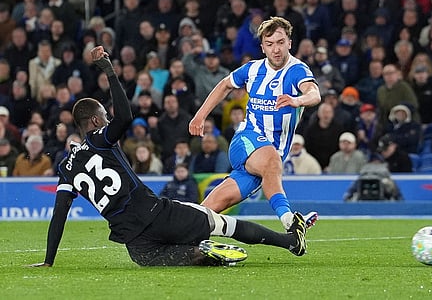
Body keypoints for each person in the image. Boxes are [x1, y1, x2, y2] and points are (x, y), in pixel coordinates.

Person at [30, 46, 307, 268]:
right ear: (95, 120)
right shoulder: (100, 138)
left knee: (168, 257)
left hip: (136, 246)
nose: (107, 119)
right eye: (104, 115)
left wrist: (48, 260)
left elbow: (59, 216)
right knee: (220, 223)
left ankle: (195, 253)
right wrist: (110, 72)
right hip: (157, 214)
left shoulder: (66, 167)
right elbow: (125, 116)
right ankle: (289, 242)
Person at [189, 17, 321, 230]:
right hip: (246, 139)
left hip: (268, 157)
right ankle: (290, 221)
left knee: (210, 209)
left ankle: (181, 236)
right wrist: (200, 116)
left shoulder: (298, 70)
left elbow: (314, 93)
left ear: (289, 43)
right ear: (262, 47)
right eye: (269, 44)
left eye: (280, 42)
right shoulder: (251, 69)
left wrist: (298, 100)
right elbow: (225, 85)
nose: (275, 49)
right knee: (271, 161)